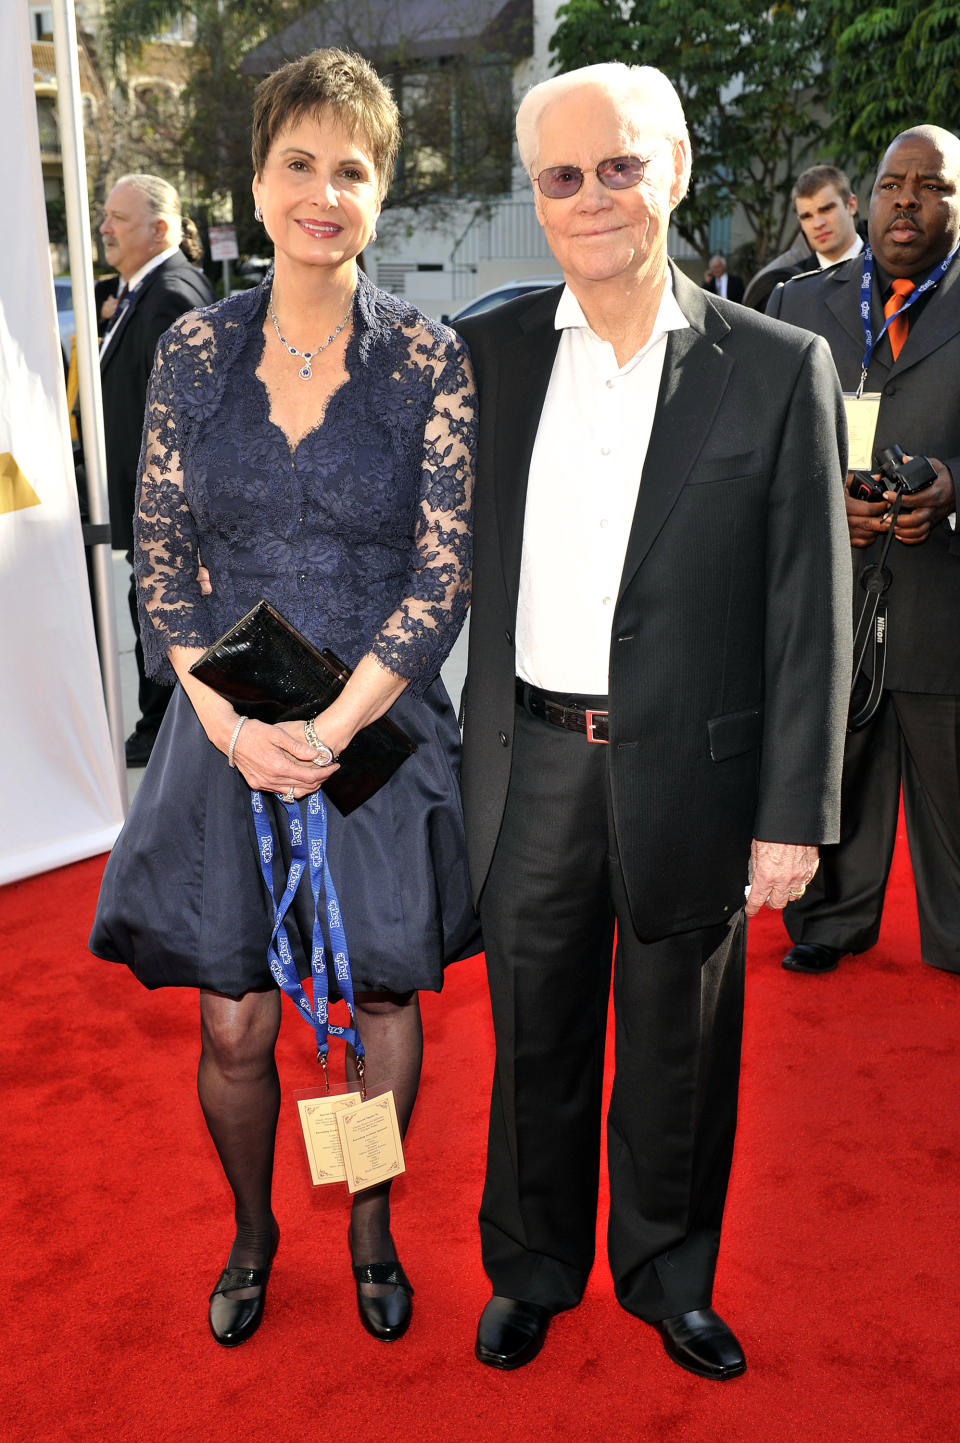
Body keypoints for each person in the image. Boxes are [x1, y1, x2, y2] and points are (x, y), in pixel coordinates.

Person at [455, 62, 851, 1381]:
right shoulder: (490, 351)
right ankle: (532, 1263)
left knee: (681, 1046)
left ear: (672, 170)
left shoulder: (777, 366)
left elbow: (810, 611)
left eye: (620, 166)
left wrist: (794, 811)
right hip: (533, 763)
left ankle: (670, 1269)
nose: (593, 198)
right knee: (536, 1040)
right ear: (537, 197)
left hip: (698, 771)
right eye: (563, 176)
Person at [90, 48, 478, 1348]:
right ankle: (254, 1230)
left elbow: (442, 572)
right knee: (235, 1013)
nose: (324, 191)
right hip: (228, 721)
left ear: (382, 193)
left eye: (351, 170)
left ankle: (369, 1229)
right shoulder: (194, 352)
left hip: (374, 723)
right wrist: (228, 721)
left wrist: (330, 724)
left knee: (378, 997)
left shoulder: (430, 357)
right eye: (299, 164)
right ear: (257, 184)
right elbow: (159, 556)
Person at [767, 125, 960, 977]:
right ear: (868, 197)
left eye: (932, 185)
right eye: (892, 183)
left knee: (952, 776)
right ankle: (830, 919)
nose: (908, 199)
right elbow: (762, 442)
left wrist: (953, 486)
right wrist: (818, 498)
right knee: (837, 756)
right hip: (834, 588)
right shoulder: (801, 302)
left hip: (941, 591)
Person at [97, 174, 215, 766]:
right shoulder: (139, 290)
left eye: (117, 217)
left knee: (159, 610)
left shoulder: (171, 294)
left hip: (167, 508)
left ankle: (163, 729)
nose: (104, 227)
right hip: (143, 497)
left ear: (160, 228)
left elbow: (192, 417)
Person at [744, 164, 862, 312]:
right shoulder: (785, 289)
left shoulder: (889, 268)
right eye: (807, 216)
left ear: (851, 205)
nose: (817, 224)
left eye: (826, 209)